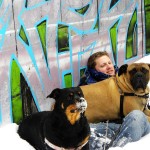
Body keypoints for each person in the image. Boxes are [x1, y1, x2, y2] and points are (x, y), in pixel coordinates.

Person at [79, 51, 150, 149]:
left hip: (131, 125)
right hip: (104, 129)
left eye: (109, 63)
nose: (108, 67)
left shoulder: (125, 81)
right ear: (93, 70)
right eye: (103, 65)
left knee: (136, 116)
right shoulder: (87, 87)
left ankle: (118, 146)